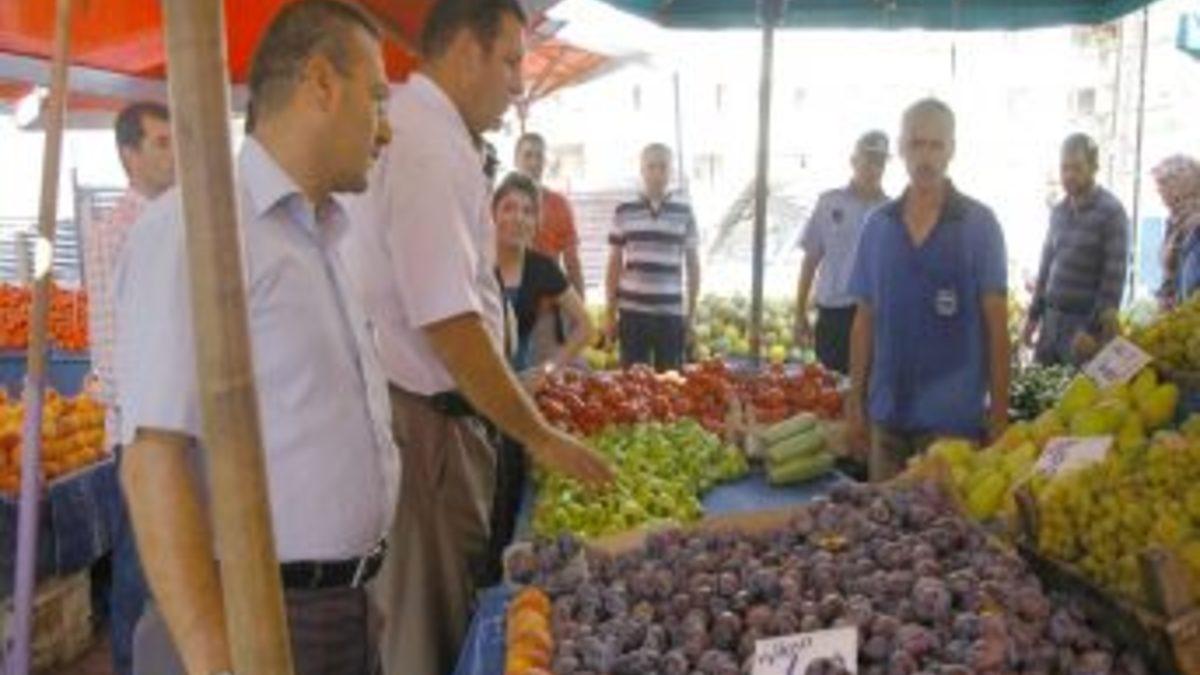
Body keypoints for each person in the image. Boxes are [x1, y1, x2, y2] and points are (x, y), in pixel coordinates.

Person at [116, 3, 398, 673]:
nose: (386, 129)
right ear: (321, 83)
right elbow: (153, 461)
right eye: (377, 98)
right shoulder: (197, 228)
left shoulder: (319, 235)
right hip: (255, 618)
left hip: (342, 607)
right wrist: (217, 656)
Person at [339, 2, 614, 673]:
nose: (518, 84)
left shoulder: (433, 136)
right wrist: (539, 436)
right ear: (466, 52)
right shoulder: (428, 149)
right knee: (427, 632)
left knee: (439, 613)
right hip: (428, 429)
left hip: (433, 422)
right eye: (510, 62)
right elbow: (452, 324)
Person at [846, 98, 1011, 482]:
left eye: (936, 145)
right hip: (887, 421)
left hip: (953, 428)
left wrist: (1000, 415)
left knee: (944, 521)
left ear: (952, 149)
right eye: (917, 144)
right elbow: (863, 321)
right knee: (882, 520)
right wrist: (854, 402)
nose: (926, 157)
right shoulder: (877, 226)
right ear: (901, 148)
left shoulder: (980, 225)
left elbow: (998, 330)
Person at [82, 100, 173, 675]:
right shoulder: (118, 232)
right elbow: (112, 351)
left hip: (172, 425)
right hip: (143, 431)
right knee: (141, 571)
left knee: (170, 570)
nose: (174, 154)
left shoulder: (173, 221)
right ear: (128, 155)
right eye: (161, 143)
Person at [489, 171, 595, 566]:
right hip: (472, 395)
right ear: (493, 214)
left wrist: (549, 369)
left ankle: (501, 574)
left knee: (510, 493)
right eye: (508, 208)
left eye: (527, 211)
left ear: (536, 222)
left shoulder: (542, 267)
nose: (518, 218)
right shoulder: (473, 262)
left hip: (519, 396)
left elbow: (586, 326)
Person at [1023, 134, 1129, 366]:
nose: (1069, 175)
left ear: (1094, 168)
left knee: (1076, 388)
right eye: (1064, 168)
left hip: (1083, 326)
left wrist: (1092, 329)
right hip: (1051, 321)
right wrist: (1033, 316)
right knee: (1040, 384)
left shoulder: (1112, 213)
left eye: (1077, 168)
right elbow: (1046, 266)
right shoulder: (1059, 211)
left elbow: (1113, 281)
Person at [794, 131, 890, 374]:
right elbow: (811, 259)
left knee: (869, 387)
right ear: (853, 160)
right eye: (868, 159)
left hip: (875, 316)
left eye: (880, 162)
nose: (874, 168)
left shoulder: (892, 213)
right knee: (829, 388)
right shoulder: (829, 203)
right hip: (834, 315)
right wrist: (799, 312)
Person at [604, 143, 701, 371]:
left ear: (671, 171)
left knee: (671, 381)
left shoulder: (685, 212)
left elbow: (693, 265)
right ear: (642, 169)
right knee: (632, 382)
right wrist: (610, 313)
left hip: (671, 313)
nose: (657, 173)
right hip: (632, 313)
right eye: (651, 167)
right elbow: (614, 264)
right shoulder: (624, 211)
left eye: (663, 167)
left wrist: (691, 315)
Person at [515, 132, 585, 296]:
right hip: (510, 298)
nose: (534, 163)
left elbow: (571, 260)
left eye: (539, 157)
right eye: (528, 155)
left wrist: (580, 301)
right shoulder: (499, 203)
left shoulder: (559, 204)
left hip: (548, 298)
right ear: (516, 160)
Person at [1152, 155, 1200, 308]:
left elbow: (1191, 285)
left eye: (1163, 185)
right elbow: (1169, 280)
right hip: (1179, 314)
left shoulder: (1195, 229)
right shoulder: (1174, 223)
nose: (1160, 194)